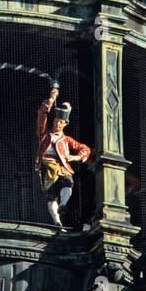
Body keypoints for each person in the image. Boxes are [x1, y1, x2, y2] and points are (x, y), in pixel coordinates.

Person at [35, 86, 90, 228]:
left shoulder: (67, 140)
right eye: (55, 120)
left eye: (60, 121)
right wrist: (52, 99)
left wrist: (75, 158)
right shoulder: (44, 134)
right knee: (51, 195)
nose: (57, 123)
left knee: (68, 181)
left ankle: (64, 205)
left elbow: (85, 149)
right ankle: (57, 222)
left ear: (65, 124)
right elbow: (42, 113)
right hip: (47, 165)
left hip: (62, 166)